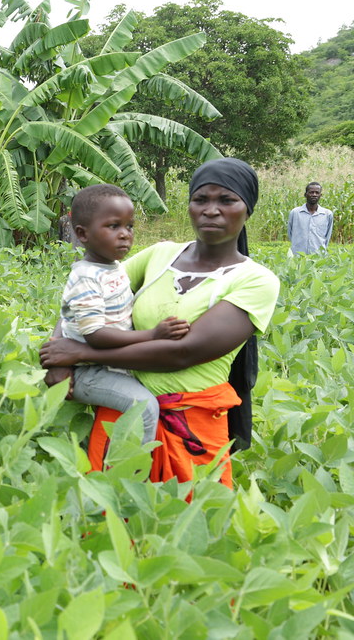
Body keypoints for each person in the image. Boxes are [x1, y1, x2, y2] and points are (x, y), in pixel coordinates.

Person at [40, 158, 281, 489]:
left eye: (226, 200)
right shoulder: (161, 254)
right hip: (123, 415)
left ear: (247, 209)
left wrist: (79, 355)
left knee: (195, 527)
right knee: (109, 520)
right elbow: (84, 292)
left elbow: (180, 353)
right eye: (201, 200)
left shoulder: (256, 281)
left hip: (192, 425)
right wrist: (58, 353)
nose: (211, 210)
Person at [57, 184, 190, 446]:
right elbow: (95, 335)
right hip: (89, 372)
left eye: (129, 227)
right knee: (144, 408)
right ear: (82, 234)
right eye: (113, 226)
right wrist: (153, 335)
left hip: (110, 365)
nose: (124, 235)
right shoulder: (86, 277)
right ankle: (132, 476)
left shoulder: (112, 267)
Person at [287, 182, 333, 255]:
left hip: (318, 256)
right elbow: (290, 233)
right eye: (311, 192)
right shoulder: (295, 213)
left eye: (317, 193)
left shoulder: (327, 214)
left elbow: (327, 236)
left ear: (320, 195)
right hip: (298, 256)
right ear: (305, 195)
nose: (314, 195)